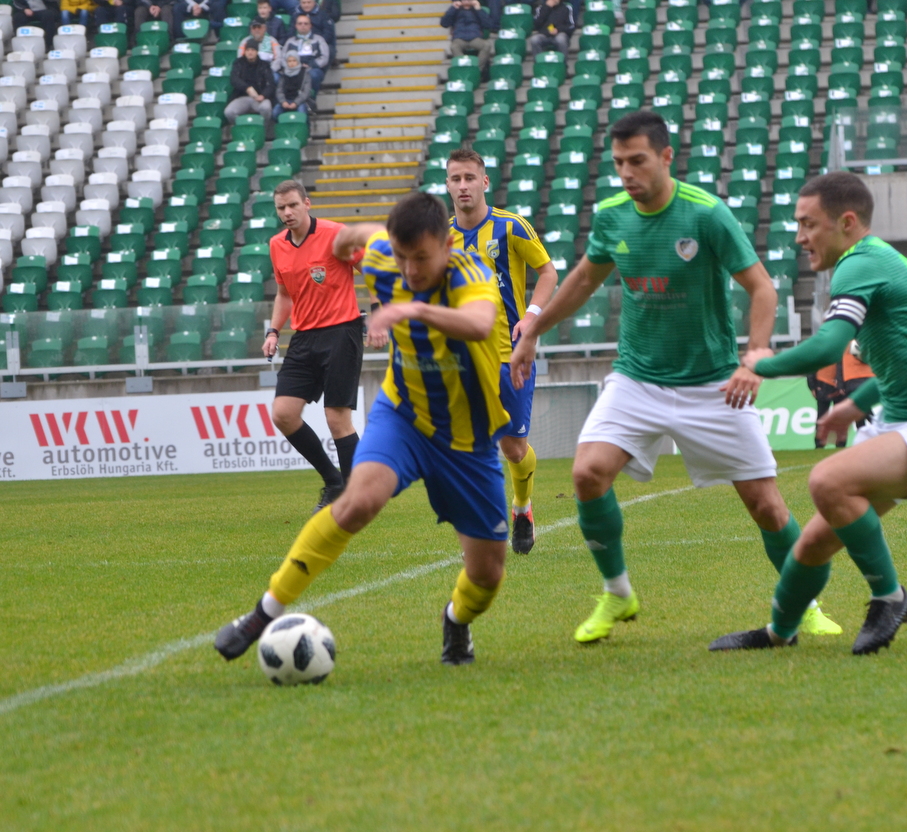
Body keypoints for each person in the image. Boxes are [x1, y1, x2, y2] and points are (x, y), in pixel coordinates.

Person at [510, 111, 842, 645]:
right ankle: (618, 594)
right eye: (618, 163)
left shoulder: (706, 214)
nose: (626, 173)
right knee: (587, 473)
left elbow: (763, 289)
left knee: (765, 504)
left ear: (666, 157)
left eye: (637, 161)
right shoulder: (613, 216)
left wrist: (753, 357)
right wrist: (533, 330)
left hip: (713, 382)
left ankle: (804, 606)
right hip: (637, 378)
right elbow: (582, 281)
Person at [215, 192, 512, 667]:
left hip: (467, 440)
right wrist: (339, 251)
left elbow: (479, 323)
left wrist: (411, 310)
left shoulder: (468, 272)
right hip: (404, 417)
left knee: (487, 575)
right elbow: (353, 237)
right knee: (357, 502)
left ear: (446, 244)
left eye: (422, 258)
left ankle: (456, 620)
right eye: (401, 256)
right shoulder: (381, 253)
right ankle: (261, 613)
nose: (410, 270)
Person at [709, 171, 907, 656]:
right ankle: (779, 632)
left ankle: (890, 597)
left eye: (808, 225)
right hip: (905, 419)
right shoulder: (879, 261)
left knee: (828, 482)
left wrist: (762, 365)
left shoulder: (859, 264)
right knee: (814, 543)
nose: (799, 237)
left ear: (848, 222)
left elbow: (831, 344)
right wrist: (856, 405)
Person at [446, 147, 558, 553]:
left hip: (512, 354)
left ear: (484, 182)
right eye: (455, 179)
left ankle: (522, 507)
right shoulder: (443, 237)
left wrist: (530, 317)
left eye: (469, 178)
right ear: (447, 185)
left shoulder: (511, 227)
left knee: (513, 448)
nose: (463, 186)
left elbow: (548, 272)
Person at [263, 180, 365, 512]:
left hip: (341, 330)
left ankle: (354, 495)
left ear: (307, 203)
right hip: (303, 337)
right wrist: (273, 332)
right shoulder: (276, 245)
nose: (287, 213)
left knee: (337, 419)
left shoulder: (337, 234)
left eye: (293, 205)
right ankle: (334, 481)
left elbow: (376, 270)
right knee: (283, 414)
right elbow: (283, 294)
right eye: (281, 208)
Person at [807, 343, 874, 449]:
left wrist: (841, 384)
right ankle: (820, 444)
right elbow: (812, 363)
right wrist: (812, 385)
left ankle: (841, 444)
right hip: (824, 384)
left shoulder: (845, 343)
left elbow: (842, 366)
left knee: (844, 417)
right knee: (822, 416)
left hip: (841, 385)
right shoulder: (824, 345)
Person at [224, 40, 276, 122]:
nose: (250, 52)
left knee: (266, 108)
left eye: (252, 50)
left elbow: (271, 84)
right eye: (247, 50)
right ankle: (242, 127)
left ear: (257, 51)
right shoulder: (238, 63)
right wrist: (247, 88)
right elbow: (234, 79)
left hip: (260, 97)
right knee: (229, 112)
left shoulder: (264, 65)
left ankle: (262, 130)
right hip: (242, 97)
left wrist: (263, 95)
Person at [441, 0, 497, 72]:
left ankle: (476, 70)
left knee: (486, 45)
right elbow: (444, 24)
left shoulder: (478, 10)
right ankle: (464, 67)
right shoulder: (455, 10)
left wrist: (478, 10)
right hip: (459, 38)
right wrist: (453, 8)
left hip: (475, 38)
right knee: (454, 47)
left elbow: (489, 25)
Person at [282, 14, 330, 92]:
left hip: (312, 69)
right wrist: (293, 67)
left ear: (310, 25)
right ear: (296, 26)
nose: (303, 26)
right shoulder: (290, 41)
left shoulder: (319, 39)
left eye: (306, 23)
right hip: (293, 69)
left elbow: (325, 57)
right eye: (300, 24)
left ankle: (311, 98)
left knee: (314, 75)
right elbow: (283, 58)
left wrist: (311, 65)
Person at [274, 52, 311, 119]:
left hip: (300, 101)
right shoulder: (283, 73)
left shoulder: (305, 74)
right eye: (289, 61)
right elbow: (279, 90)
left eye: (294, 60)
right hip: (286, 100)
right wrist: (283, 102)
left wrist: (296, 103)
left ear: (298, 61)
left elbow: (306, 92)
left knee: (302, 113)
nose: (292, 63)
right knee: (275, 113)